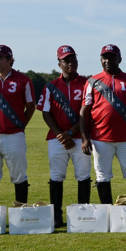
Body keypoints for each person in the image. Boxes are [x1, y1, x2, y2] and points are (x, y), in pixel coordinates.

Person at [79, 44, 126, 204]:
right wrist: (84, 138)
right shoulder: (92, 81)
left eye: (112, 57)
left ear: (119, 59)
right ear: (101, 60)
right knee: (102, 176)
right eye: (105, 57)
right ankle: (107, 212)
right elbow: (84, 111)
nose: (108, 60)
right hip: (100, 139)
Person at [38, 45, 91, 227]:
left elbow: (88, 113)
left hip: (80, 138)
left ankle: (82, 214)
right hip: (57, 140)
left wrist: (70, 132)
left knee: (83, 176)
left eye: (73, 60)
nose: (71, 64)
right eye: (66, 61)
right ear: (59, 63)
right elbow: (46, 112)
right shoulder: (51, 86)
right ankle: (56, 215)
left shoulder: (86, 84)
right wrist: (61, 135)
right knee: (56, 176)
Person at [0, 45, 36, 203]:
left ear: (10, 59)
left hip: (14, 136)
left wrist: (20, 124)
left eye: (0, 58)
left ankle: (21, 212)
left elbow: (30, 106)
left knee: (19, 176)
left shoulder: (23, 80)